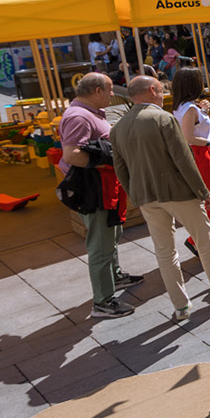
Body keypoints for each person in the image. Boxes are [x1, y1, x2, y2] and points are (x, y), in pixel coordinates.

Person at [111, 76, 210, 319]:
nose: (163, 95)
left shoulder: (118, 128)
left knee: (164, 251)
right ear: (151, 90)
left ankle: (180, 305)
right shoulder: (162, 118)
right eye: (160, 91)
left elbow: (121, 169)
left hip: (146, 196)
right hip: (177, 191)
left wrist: (135, 194)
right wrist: (203, 191)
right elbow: (183, 159)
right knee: (206, 240)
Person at [57, 74, 145, 319]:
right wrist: (106, 159)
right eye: (109, 91)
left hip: (104, 186)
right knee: (100, 245)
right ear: (97, 91)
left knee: (111, 234)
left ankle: (114, 277)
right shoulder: (78, 116)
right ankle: (103, 302)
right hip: (94, 189)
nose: (111, 96)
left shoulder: (89, 112)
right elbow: (72, 155)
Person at [170, 68, 210, 257]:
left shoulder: (182, 106)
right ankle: (203, 241)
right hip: (202, 154)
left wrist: (202, 110)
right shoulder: (188, 108)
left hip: (199, 153)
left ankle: (205, 240)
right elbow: (189, 137)